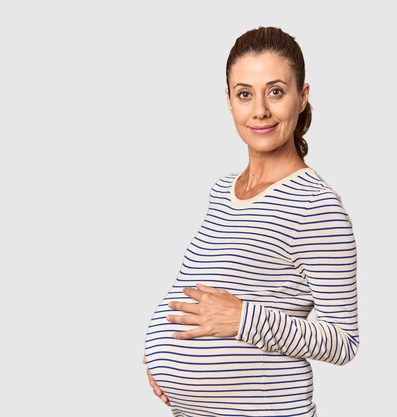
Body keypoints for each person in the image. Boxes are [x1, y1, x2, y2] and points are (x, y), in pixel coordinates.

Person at [143, 26, 359, 417]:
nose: (259, 109)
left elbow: (342, 341)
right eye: (245, 94)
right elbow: (196, 293)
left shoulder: (317, 205)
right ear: (229, 101)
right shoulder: (222, 191)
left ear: (302, 96)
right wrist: (160, 359)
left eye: (275, 91)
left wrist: (243, 318)